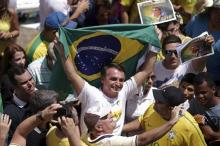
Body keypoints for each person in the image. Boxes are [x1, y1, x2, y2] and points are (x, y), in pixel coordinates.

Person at [55, 40, 160, 137]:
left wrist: (155, 44)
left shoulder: (124, 90)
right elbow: (72, 75)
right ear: (102, 80)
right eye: (113, 79)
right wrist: (63, 52)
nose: (118, 83)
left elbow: (146, 71)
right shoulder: (91, 94)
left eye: (121, 80)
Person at [123, 86, 207, 146]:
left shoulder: (189, 127)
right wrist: (118, 129)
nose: (155, 102)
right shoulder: (153, 109)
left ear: (172, 108)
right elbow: (142, 122)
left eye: (160, 101)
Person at [84, 102, 182, 146]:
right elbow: (141, 140)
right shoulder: (108, 142)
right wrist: (171, 122)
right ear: (99, 127)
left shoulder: (86, 136)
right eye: (106, 116)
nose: (111, 115)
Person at [8, 104, 82, 146]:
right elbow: (20, 132)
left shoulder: (51, 130)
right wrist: (72, 133)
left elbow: (20, 133)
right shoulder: (65, 142)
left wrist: (42, 115)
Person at [3, 66, 35, 143]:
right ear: (14, 87)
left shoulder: (42, 96)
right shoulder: (10, 113)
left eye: (30, 79)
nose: (30, 84)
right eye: (24, 83)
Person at [188, 72, 220, 143]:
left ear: (213, 89)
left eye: (203, 92)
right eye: (196, 93)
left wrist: (211, 134)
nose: (200, 96)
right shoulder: (194, 103)